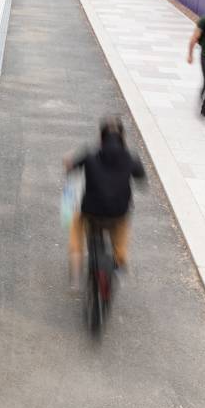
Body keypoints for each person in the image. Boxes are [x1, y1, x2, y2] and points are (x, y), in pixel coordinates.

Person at [65, 117, 146, 288]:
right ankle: (120, 261)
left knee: (76, 222)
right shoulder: (131, 158)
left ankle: (76, 266)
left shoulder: (89, 155)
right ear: (123, 139)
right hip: (118, 213)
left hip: (90, 211)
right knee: (122, 227)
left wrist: (68, 161)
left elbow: (70, 167)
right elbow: (141, 180)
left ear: (101, 139)